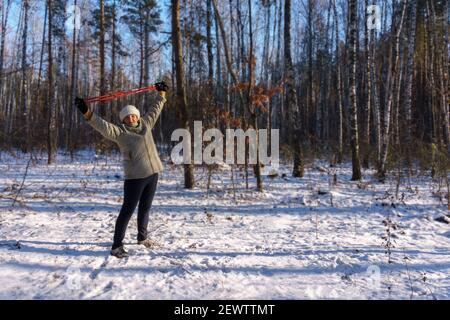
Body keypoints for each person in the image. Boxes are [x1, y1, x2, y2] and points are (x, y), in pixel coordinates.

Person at [75, 82, 169, 258]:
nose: (131, 118)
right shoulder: (119, 132)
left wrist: (161, 94)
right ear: (123, 120)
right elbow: (101, 125)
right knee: (127, 211)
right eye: (127, 117)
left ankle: (142, 237)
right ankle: (116, 246)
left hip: (153, 173)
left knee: (145, 208)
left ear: (137, 116)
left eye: (133, 116)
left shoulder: (146, 123)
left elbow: (155, 109)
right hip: (135, 178)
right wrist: (87, 112)